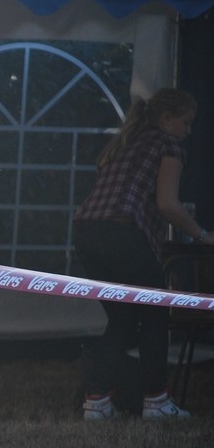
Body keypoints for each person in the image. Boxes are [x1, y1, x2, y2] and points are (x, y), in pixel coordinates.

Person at [74, 88, 210, 421]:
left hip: (86, 232)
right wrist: (203, 235)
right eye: (187, 122)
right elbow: (167, 204)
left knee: (121, 318)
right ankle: (156, 402)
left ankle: (96, 402)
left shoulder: (126, 142)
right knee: (154, 314)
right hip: (122, 233)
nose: (189, 131)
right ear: (167, 119)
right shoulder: (169, 144)